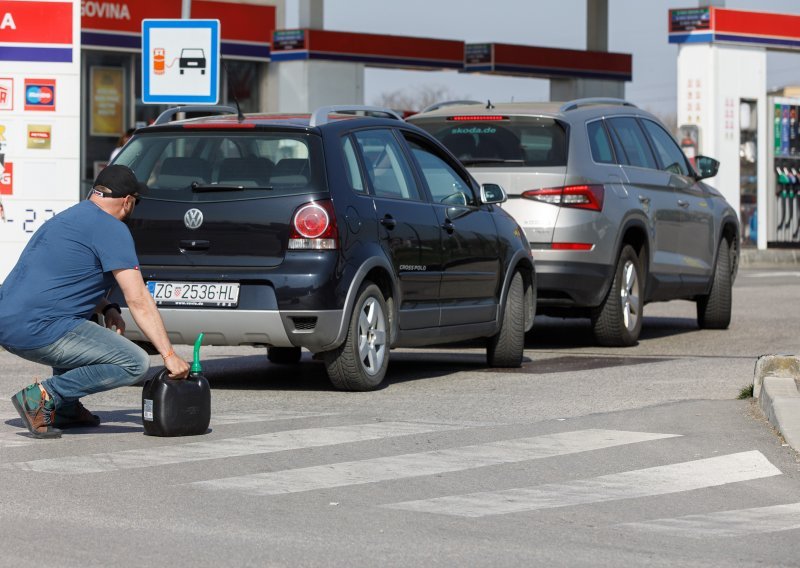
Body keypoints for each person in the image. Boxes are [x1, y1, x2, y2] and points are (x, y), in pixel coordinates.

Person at [0, 165, 189, 439]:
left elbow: (62, 279)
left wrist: (107, 307)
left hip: (9, 322)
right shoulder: (113, 229)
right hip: (39, 328)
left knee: (78, 320)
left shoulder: (66, 219)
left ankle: (65, 409)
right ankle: (43, 397)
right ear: (128, 201)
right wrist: (169, 356)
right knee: (134, 362)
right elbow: (139, 300)